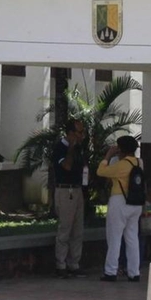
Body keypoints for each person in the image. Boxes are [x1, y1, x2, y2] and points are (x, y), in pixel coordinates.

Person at [97, 135, 143, 282]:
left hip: (120, 201)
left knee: (114, 237)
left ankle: (110, 271)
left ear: (121, 149)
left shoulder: (122, 165)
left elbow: (101, 171)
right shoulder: (139, 162)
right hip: (135, 203)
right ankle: (134, 272)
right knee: (132, 237)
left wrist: (108, 156)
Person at [51, 119, 88, 278]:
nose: (82, 136)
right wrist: (71, 149)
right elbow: (66, 166)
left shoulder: (81, 148)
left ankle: (74, 263)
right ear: (71, 133)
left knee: (77, 229)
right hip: (65, 191)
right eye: (79, 132)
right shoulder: (60, 147)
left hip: (78, 190)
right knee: (65, 228)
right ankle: (61, 264)